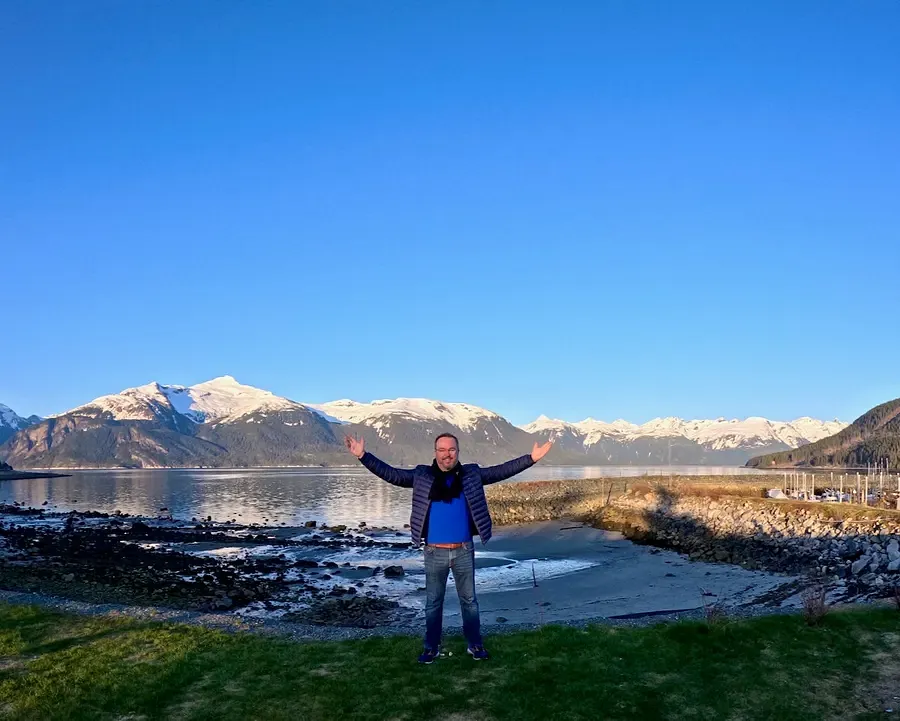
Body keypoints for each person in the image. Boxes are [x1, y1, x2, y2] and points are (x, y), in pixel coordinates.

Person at [344, 431, 553, 663]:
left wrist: (531, 458)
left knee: (470, 601)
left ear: (458, 452)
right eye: (442, 450)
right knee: (433, 602)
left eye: (451, 450)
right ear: (435, 452)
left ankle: (475, 644)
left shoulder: (471, 474)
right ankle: (431, 646)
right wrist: (363, 456)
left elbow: (501, 471)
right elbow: (392, 475)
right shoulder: (422, 475)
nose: (447, 454)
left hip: (464, 549)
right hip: (434, 552)